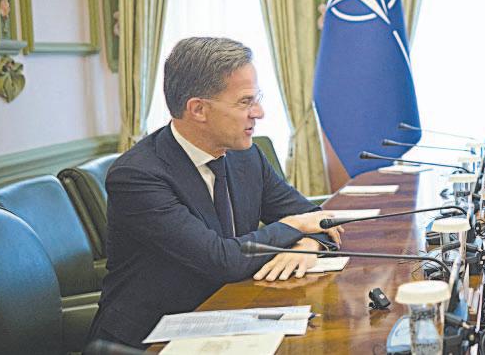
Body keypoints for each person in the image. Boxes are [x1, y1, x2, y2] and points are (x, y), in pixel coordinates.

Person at [86, 37, 343, 348]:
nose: (259, 112)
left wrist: (307, 244)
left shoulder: (246, 156)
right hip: (151, 338)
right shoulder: (137, 175)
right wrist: (295, 226)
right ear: (198, 109)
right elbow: (221, 260)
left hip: (230, 313)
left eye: (257, 99)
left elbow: (317, 218)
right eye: (245, 102)